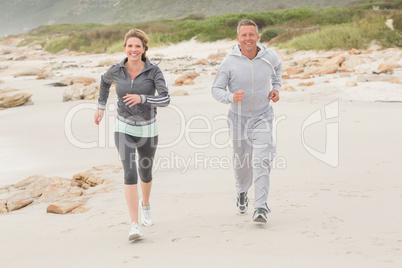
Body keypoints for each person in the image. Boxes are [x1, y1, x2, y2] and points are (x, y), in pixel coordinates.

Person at [94, 29, 170, 241]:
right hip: (123, 127)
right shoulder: (117, 69)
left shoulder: (154, 71)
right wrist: (101, 106)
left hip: (148, 129)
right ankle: (134, 225)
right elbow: (104, 81)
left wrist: (142, 99)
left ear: (144, 49)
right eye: (130, 46)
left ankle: (145, 204)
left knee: (145, 173)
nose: (133, 50)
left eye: (138, 46)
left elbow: (165, 99)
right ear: (125, 48)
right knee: (129, 173)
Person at [211, 19, 282, 223]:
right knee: (242, 160)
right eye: (244, 35)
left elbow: (278, 68)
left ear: (257, 37)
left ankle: (260, 206)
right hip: (238, 119)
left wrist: (276, 88)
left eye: (251, 34)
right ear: (238, 38)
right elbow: (216, 89)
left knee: (262, 160)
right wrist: (231, 97)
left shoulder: (270, 57)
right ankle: (242, 191)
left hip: (262, 116)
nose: (248, 38)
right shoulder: (229, 62)